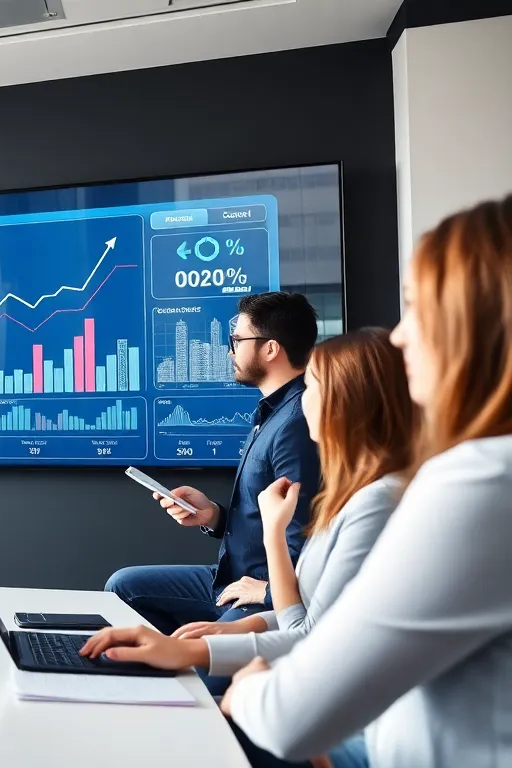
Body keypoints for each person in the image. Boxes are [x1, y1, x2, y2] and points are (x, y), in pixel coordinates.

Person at [211, 195, 512, 767]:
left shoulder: (480, 482)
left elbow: (292, 712)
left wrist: (247, 681)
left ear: (482, 325)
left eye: (417, 309)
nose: (399, 338)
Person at [80, 327, 417, 767]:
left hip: (344, 713)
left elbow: (310, 630)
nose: (304, 397)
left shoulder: (373, 501)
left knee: (205, 706)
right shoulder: (350, 490)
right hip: (264, 606)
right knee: (130, 589)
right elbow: (314, 614)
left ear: (342, 401)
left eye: (313, 385)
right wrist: (235, 620)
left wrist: (209, 642)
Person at [105, 292, 322, 643]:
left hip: (261, 591)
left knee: (205, 659)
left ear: (270, 349)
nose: (229, 351)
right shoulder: (272, 413)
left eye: (237, 340)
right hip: (229, 576)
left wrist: (268, 591)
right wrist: (213, 516)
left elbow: (303, 531)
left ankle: (189, 675)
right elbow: (264, 512)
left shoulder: (295, 423)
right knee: (123, 586)